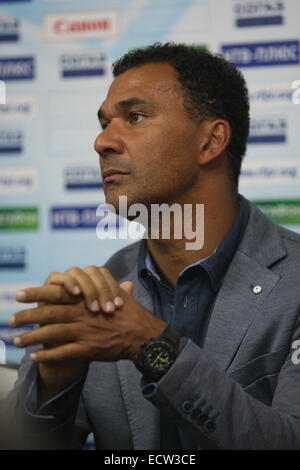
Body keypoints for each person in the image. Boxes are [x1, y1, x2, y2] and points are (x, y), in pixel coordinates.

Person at [4, 42, 300, 450]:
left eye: (135, 117)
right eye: (104, 122)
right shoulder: (101, 293)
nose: (101, 142)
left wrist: (152, 347)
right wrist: (56, 382)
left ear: (210, 142)